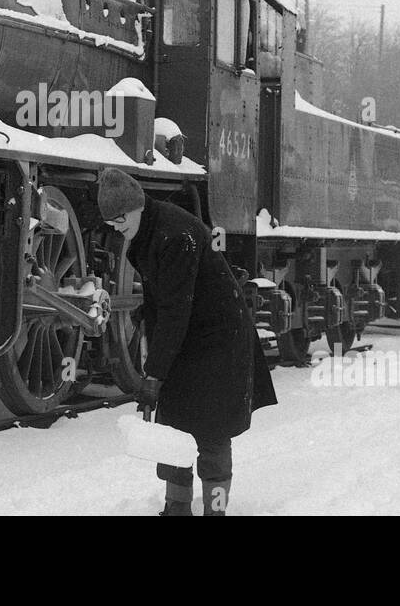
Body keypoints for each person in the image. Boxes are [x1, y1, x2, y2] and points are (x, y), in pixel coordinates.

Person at [98, 166, 276, 516]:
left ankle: (216, 510)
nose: (117, 228)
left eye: (119, 219)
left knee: (211, 432)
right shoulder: (149, 228)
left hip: (218, 341)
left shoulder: (176, 235)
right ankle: (176, 508)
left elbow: (176, 310)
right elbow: (163, 302)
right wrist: (150, 328)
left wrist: (153, 376)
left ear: (137, 206)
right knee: (175, 427)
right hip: (190, 338)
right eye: (111, 224)